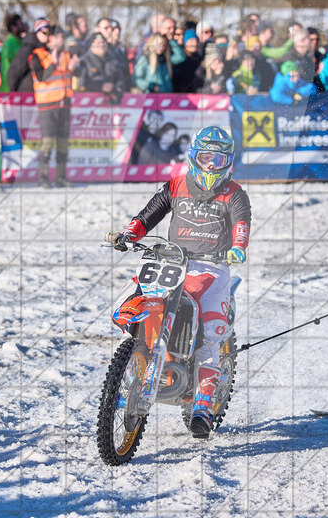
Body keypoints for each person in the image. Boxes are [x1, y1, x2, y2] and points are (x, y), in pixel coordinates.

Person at [107, 126, 251, 439]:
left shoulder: (234, 193)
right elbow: (148, 215)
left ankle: (202, 404)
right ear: (194, 157)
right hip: (170, 260)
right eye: (205, 157)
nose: (211, 165)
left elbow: (241, 222)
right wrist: (129, 234)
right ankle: (138, 357)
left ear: (228, 161)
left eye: (218, 159)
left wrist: (238, 246)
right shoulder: (176, 185)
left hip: (212, 267)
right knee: (139, 297)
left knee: (211, 330)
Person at [30, 24, 78, 187]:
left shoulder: (66, 56)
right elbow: (41, 76)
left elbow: (71, 76)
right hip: (47, 104)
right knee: (48, 141)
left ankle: (60, 176)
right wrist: (53, 61)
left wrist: (73, 69)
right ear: (50, 39)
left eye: (63, 37)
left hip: (64, 103)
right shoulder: (38, 55)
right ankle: (43, 177)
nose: (61, 40)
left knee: (63, 142)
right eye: (59, 37)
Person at [8, 19, 50, 92]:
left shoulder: (48, 49)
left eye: (50, 32)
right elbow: (14, 71)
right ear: (37, 32)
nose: (48, 35)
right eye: (45, 32)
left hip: (44, 95)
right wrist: (13, 92)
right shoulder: (28, 48)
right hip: (27, 94)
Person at [79, 33, 124, 101]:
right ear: (91, 45)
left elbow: (120, 79)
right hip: (89, 102)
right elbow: (82, 82)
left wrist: (118, 88)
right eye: (98, 43)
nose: (102, 45)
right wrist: (101, 86)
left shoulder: (113, 60)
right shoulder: (84, 61)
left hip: (111, 104)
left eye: (103, 42)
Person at [0, 13, 27, 92]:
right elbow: (6, 69)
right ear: (13, 27)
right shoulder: (8, 44)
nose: (22, 26)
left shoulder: (21, 42)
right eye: (20, 24)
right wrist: (11, 87)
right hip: (9, 90)